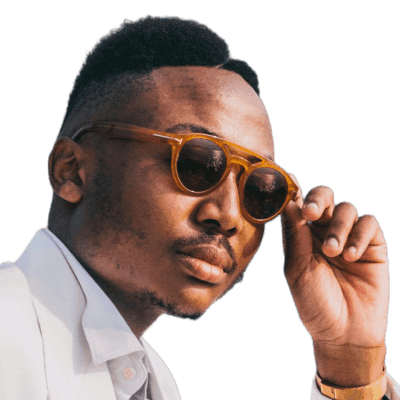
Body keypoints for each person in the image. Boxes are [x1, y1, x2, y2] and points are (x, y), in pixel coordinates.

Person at [0, 15, 398, 400]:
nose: (227, 215)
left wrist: (349, 364)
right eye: (195, 164)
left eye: (261, 190)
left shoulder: (152, 380)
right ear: (71, 171)